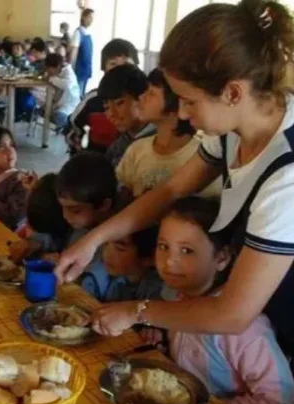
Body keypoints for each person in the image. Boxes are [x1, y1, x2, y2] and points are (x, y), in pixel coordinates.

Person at [55, 0, 294, 363]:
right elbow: (170, 191)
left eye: (188, 101)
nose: (181, 113)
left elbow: (233, 314)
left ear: (232, 93)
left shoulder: (287, 176)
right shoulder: (234, 125)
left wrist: (136, 310)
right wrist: (93, 240)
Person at [150, 197, 294, 404]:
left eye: (187, 250)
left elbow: (281, 403)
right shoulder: (177, 297)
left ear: (221, 258)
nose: (169, 261)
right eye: (163, 247)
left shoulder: (246, 329)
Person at [117, 68, 221, 200]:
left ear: (176, 103)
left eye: (152, 93)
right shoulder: (136, 149)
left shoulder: (204, 154)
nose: (142, 97)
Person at [66, 38, 139, 155]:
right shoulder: (93, 98)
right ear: (103, 69)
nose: (119, 70)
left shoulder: (143, 99)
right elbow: (74, 125)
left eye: (126, 64)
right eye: (113, 64)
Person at [83, 221, 162, 302]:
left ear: (149, 258)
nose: (107, 253)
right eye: (105, 243)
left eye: (119, 249)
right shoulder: (117, 282)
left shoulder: (157, 290)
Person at [99, 64, 156, 168]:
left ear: (142, 99)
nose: (111, 114)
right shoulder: (118, 146)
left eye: (119, 103)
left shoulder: (159, 142)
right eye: (106, 107)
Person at [44, 53, 80, 129]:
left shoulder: (68, 73)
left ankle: (72, 128)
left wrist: (51, 79)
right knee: (43, 110)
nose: (48, 71)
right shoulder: (58, 71)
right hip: (59, 102)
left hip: (70, 104)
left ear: (56, 67)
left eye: (48, 68)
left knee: (58, 117)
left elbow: (67, 85)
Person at [70, 8, 94, 96]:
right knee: (77, 95)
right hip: (78, 71)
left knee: (82, 94)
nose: (91, 20)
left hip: (86, 70)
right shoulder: (78, 33)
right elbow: (73, 53)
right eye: (90, 17)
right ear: (83, 17)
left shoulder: (87, 33)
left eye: (92, 18)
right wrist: (71, 70)